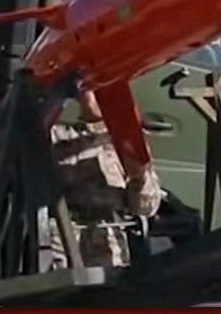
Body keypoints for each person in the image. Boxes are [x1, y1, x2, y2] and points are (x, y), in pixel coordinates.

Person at [47, 87, 164, 268]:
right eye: (87, 91)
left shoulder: (123, 140)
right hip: (60, 243)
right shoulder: (55, 134)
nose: (91, 97)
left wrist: (139, 178)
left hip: (108, 247)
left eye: (96, 92)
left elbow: (147, 208)